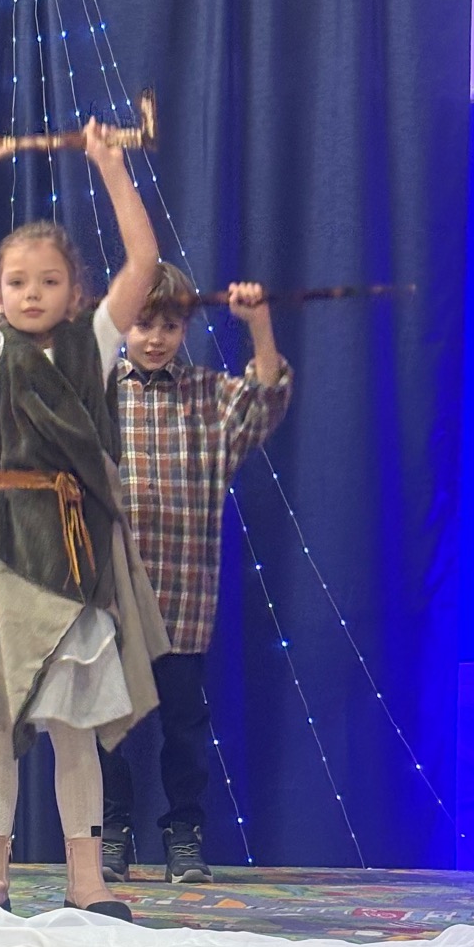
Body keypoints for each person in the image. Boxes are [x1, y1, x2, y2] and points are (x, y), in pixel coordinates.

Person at [0, 125, 169, 918]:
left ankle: (87, 883)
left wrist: (110, 166)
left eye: (50, 281)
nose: (32, 294)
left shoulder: (95, 344)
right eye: (17, 282)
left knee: (76, 725)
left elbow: (144, 264)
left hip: (76, 554)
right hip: (7, 554)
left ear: (75, 293)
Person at [100, 262, 292, 884]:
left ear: (185, 328)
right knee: (106, 726)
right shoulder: (96, 390)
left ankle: (183, 834)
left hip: (182, 596)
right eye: (142, 324)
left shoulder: (206, 397)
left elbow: (265, 400)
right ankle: (109, 832)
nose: (155, 338)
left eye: (170, 326)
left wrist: (258, 324)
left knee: (184, 726)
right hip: (109, 597)